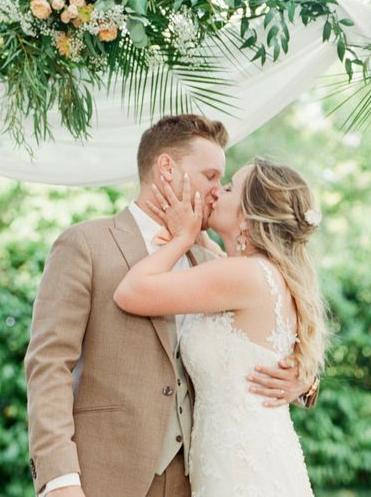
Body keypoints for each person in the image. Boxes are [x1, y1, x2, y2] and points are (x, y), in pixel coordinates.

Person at [25, 115, 318, 497]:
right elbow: (48, 366)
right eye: (211, 176)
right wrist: (59, 479)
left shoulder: (215, 263)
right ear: (166, 168)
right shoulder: (86, 244)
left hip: (196, 481)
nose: (216, 191)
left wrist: (305, 380)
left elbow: (262, 341)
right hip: (104, 476)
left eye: (224, 184)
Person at [114, 156, 327, 496]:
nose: (215, 192)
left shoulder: (244, 275)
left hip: (241, 468)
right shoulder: (260, 272)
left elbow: (130, 292)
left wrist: (181, 238)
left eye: (228, 188)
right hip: (243, 457)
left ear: (248, 216)